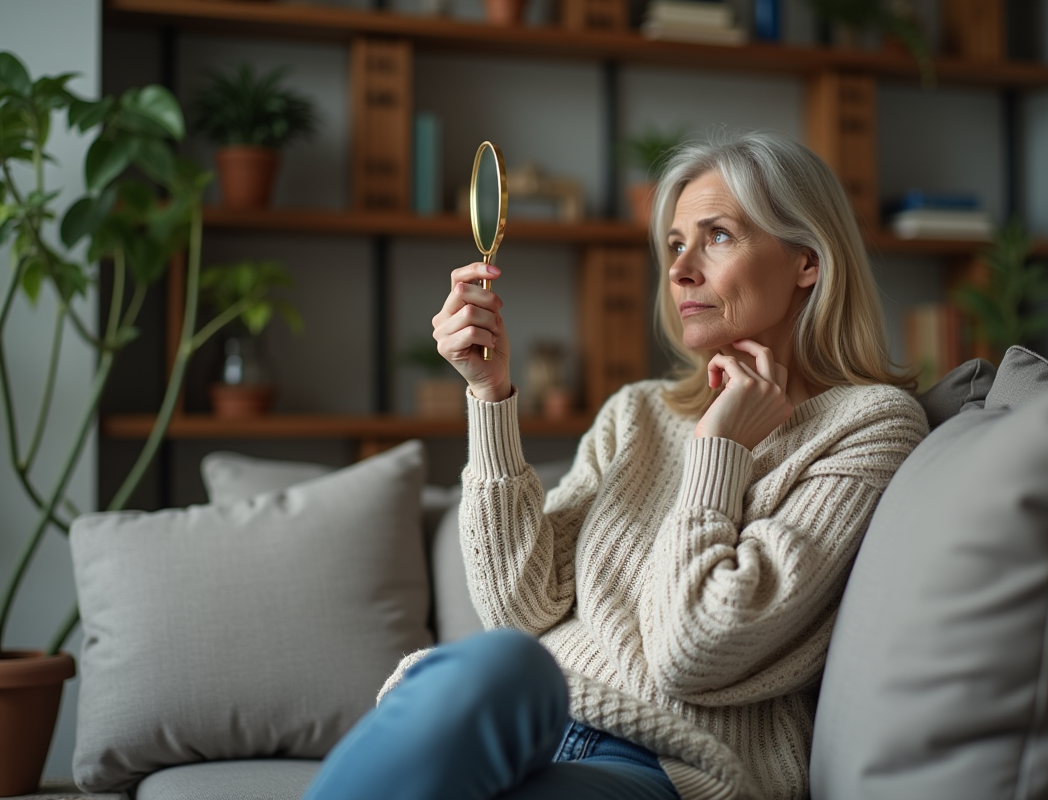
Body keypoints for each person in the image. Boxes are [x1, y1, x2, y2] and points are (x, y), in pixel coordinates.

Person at [304, 131, 929, 800]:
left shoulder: (871, 426)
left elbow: (693, 650)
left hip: (662, 765)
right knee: (501, 663)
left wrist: (720, 451)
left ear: (807, 260)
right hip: (528, 720)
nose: (682, 270)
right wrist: (489, 397)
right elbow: (520, 609)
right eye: (674, 245)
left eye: (717, 236)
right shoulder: (637, 413)